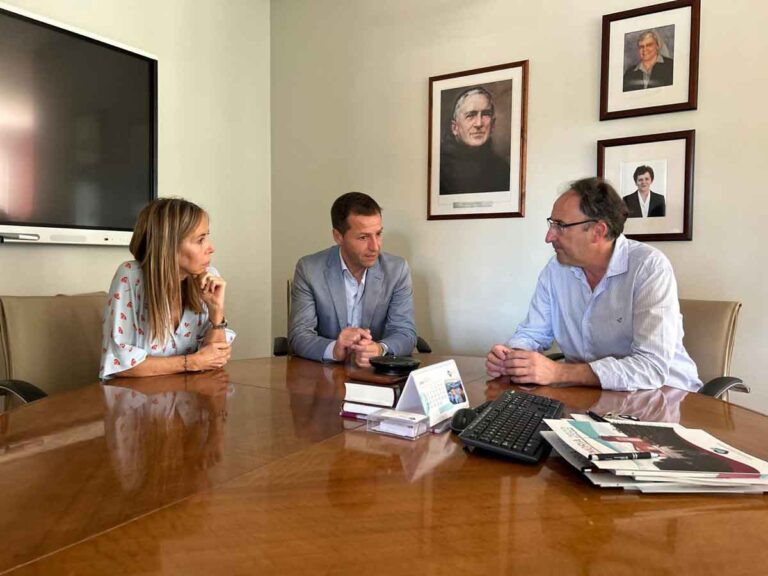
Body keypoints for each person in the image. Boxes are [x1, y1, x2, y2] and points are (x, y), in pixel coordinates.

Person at [486, 177, 700, 392]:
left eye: (560, 226)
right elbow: (533, 332)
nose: (549, 236)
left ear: (598, 231)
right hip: (591, 396)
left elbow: (651, 367)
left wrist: (557, 372)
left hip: (666, 396)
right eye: (551, 224)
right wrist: (513, 356)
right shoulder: (556, 270)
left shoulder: (649, 267)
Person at [99, 198, 234, 379]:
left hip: (191, 399)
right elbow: (120, 364)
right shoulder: (130, 276)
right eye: (201, 239)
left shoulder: (208, 278)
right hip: (136, 400)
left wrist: (216, 311)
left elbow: (215, 360)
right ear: (169, 246)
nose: (211, 248)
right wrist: (191, 362)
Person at [288, 192, 416, 367]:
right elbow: (299, 335)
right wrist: (335, 349)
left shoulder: (397, 270)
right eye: (363, 237)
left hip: (376, 374)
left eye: (378, 234)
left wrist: (380, 349)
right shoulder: (309, 269)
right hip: (325, 376)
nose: (375, 246)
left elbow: (405, 333)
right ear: (338, 236)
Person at [439, 86, 510, 195]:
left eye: (486, 114)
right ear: (454, 127)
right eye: (471, 115)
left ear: (493, 125)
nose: (479, 124)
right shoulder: (439, 168)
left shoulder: (504, 170)